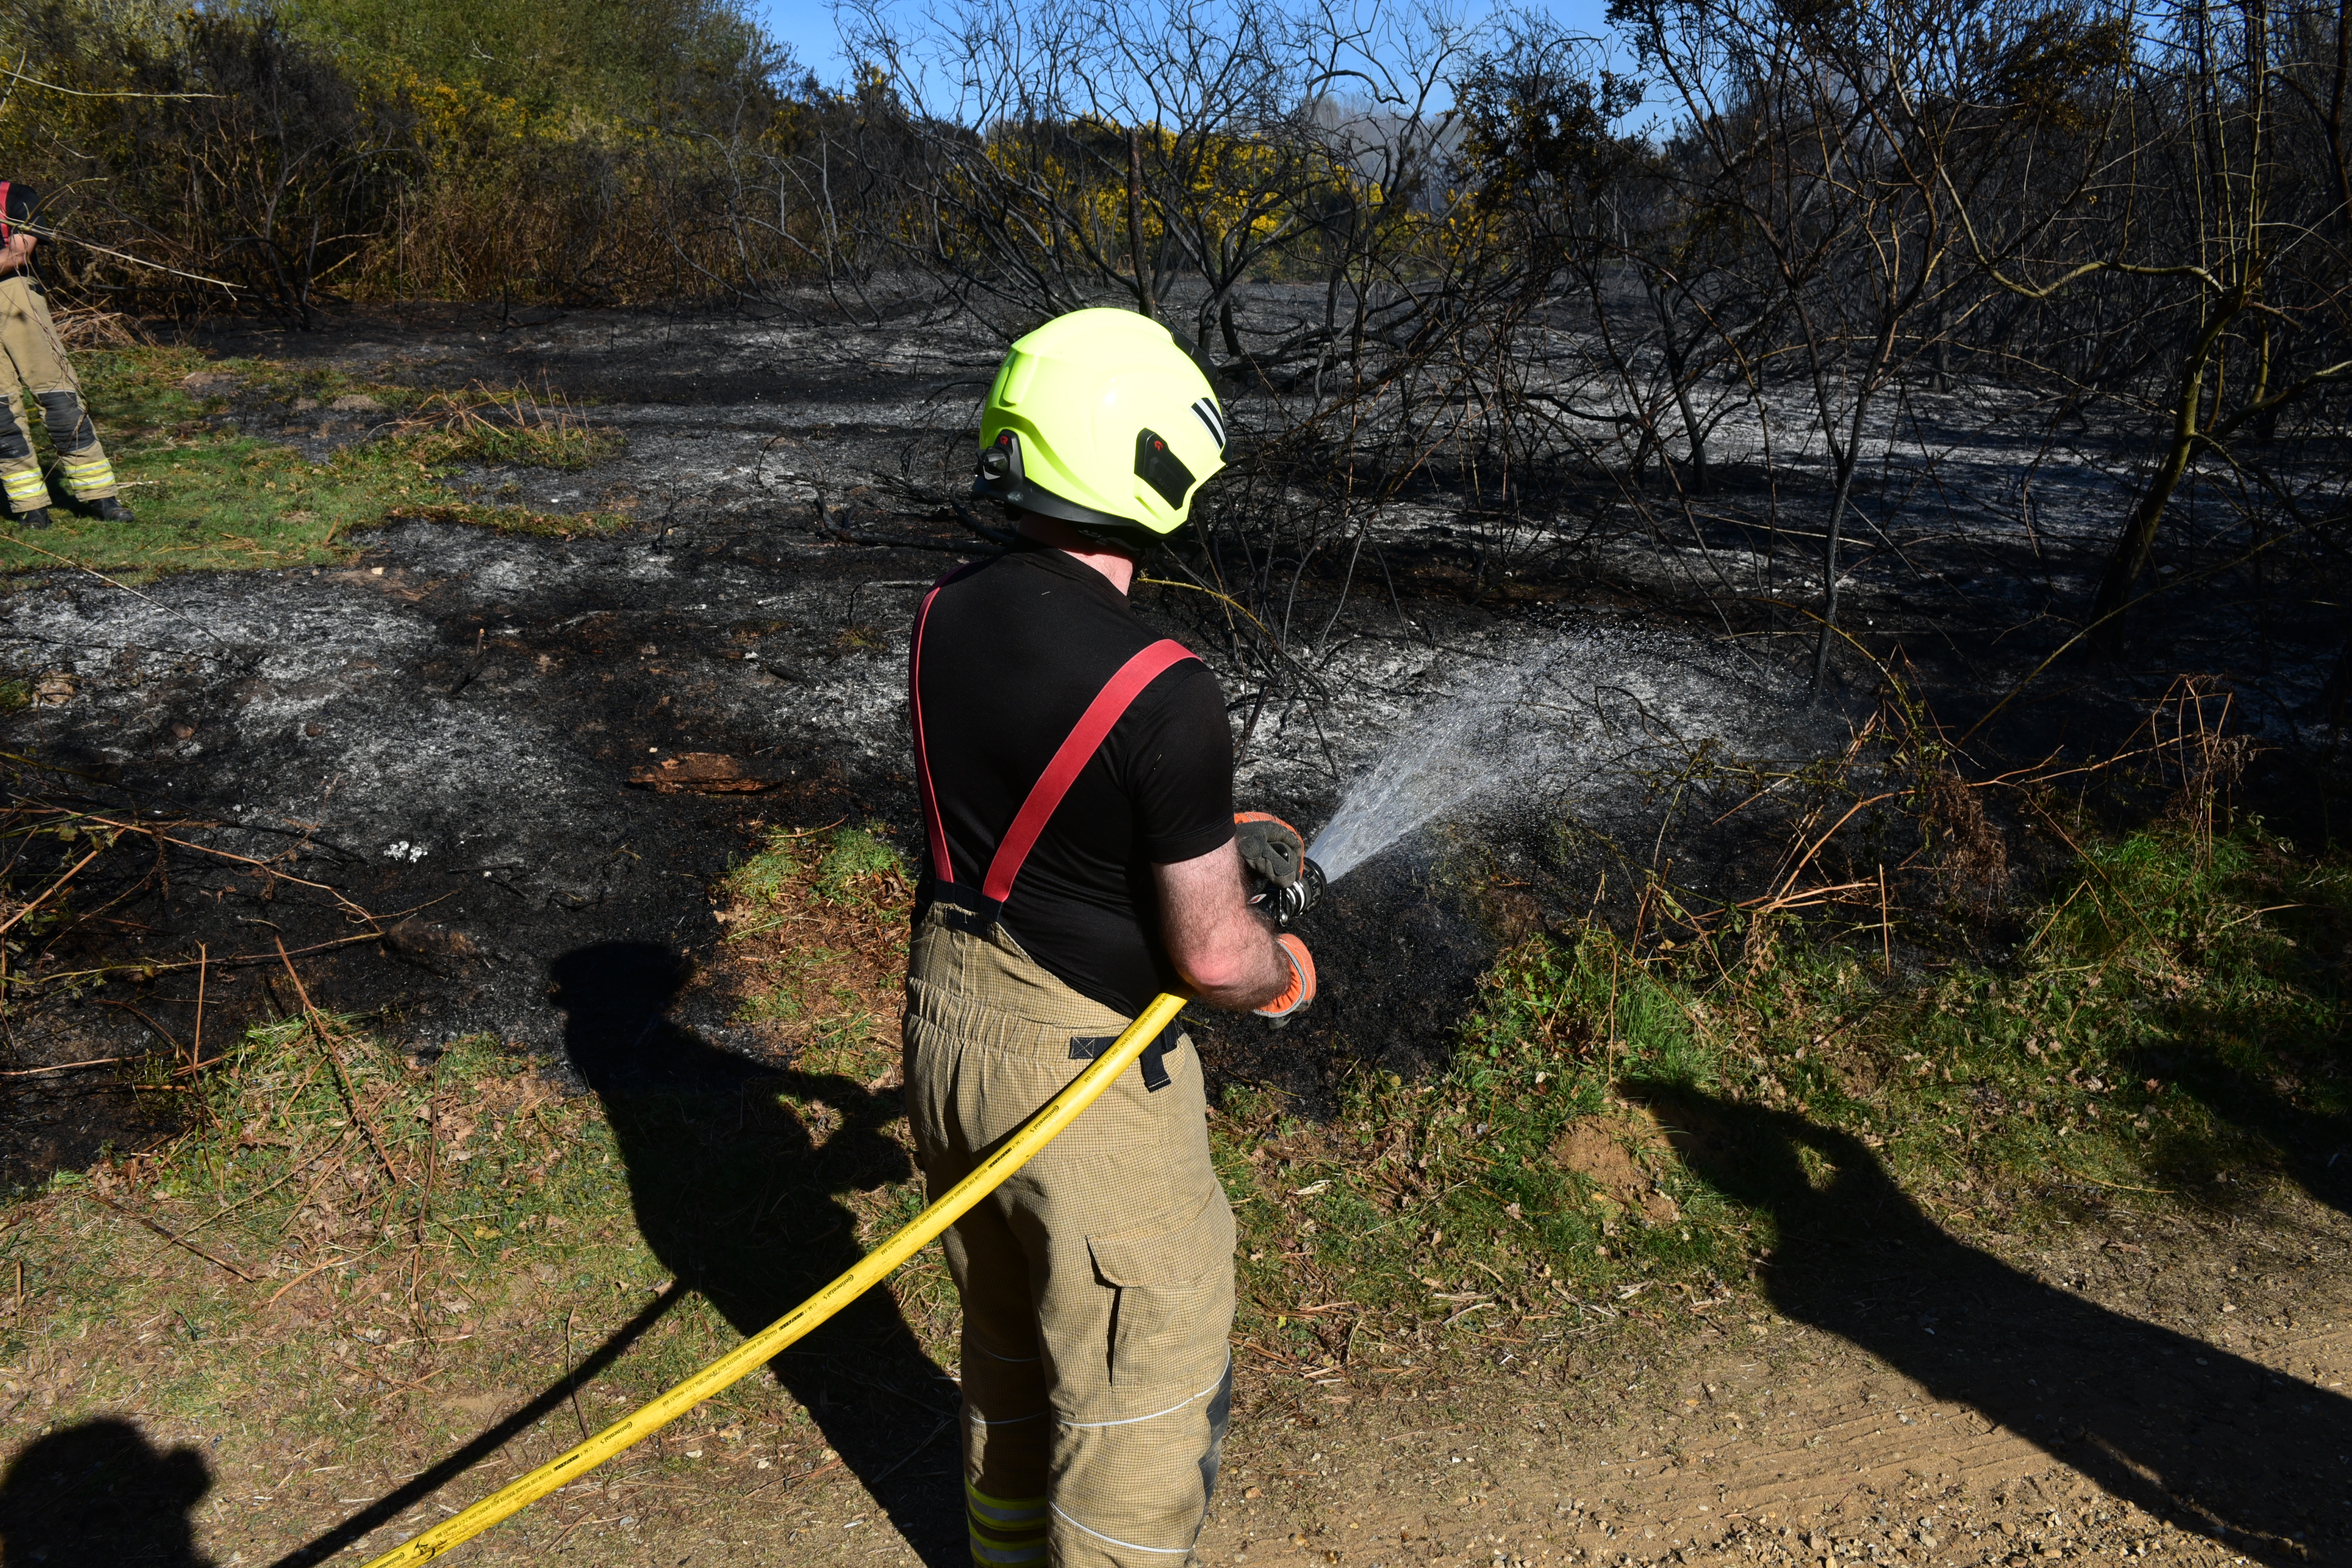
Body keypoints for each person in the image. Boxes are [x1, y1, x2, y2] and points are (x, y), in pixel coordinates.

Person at [902, 307, 1317, 1568]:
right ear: (1150, 453)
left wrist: (1196, 830)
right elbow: (1210, 956)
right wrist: (1281, 971)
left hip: (947, 1031)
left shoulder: (946, 610)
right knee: (1139, 1394)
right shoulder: (1166, 687)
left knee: (1011, 1351)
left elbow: (1043, 807)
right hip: (1085, 1080)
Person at [0, 181, 132, 530]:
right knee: (0, 413)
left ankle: (101, 496)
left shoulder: (14, 196)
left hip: (16, 295)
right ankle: (30, 507)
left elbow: (17, 254)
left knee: (59, 396)